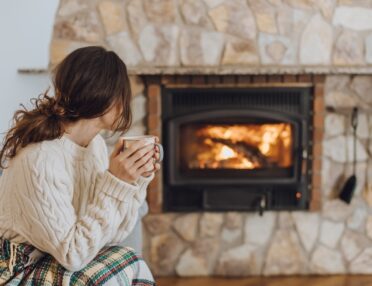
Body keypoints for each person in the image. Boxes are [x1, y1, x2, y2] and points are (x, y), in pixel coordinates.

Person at [0, 46, 159, 285]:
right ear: (104, 96)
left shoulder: (93, 145)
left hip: (54, 258)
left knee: (130, 259)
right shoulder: (42, 159)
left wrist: (134, 181)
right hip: (18, 267)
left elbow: (110, 235)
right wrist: (115, 182)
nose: (126, 103)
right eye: (123, 95)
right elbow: (73, 255)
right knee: (106, 276)